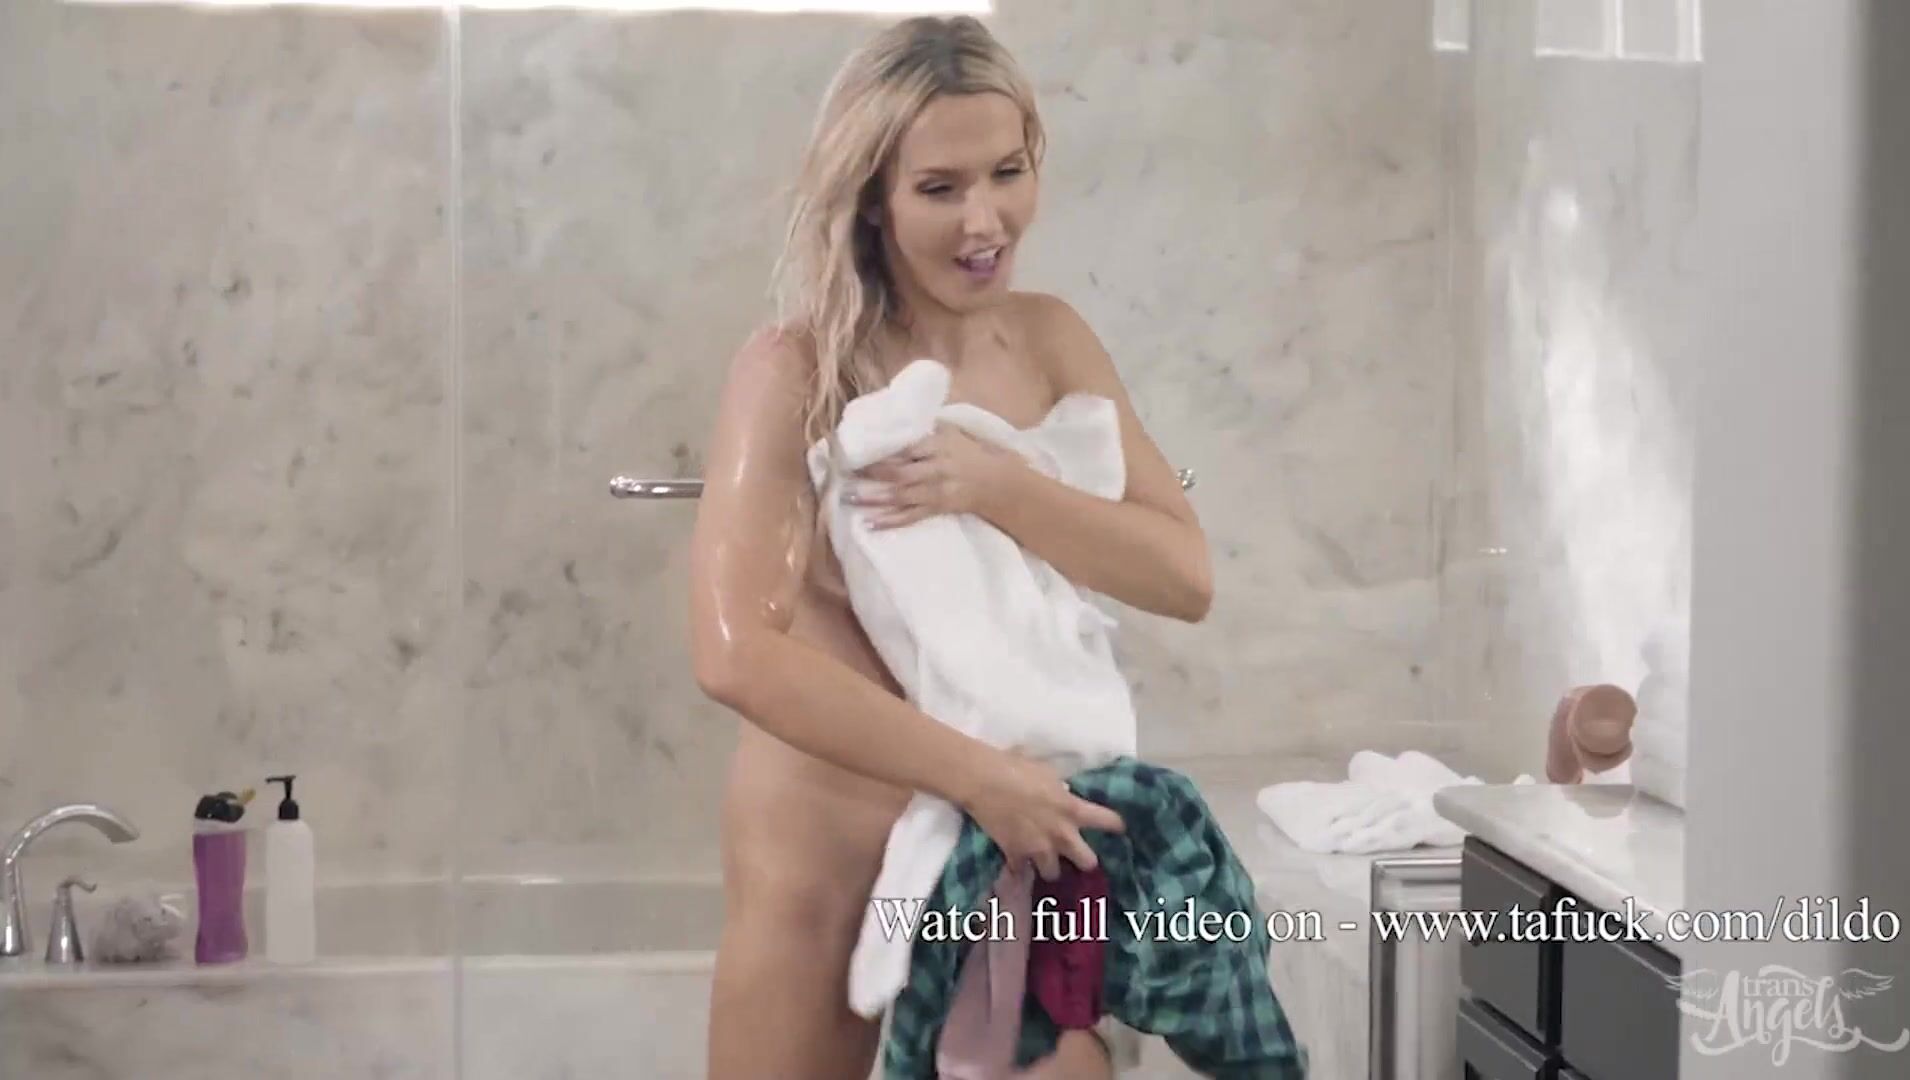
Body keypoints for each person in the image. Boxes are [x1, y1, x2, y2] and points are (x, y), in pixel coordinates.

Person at [688, 15, 1214, 1079]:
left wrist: (997, 484)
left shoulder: (1050, 339)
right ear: (871, 198)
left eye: (1008, 172)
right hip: (825, 858)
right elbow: (734, 651)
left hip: (1002, 864)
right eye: (938, 188)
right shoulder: (797, 370)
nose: (985, 220)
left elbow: (1183, 574)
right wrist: (979, 777)